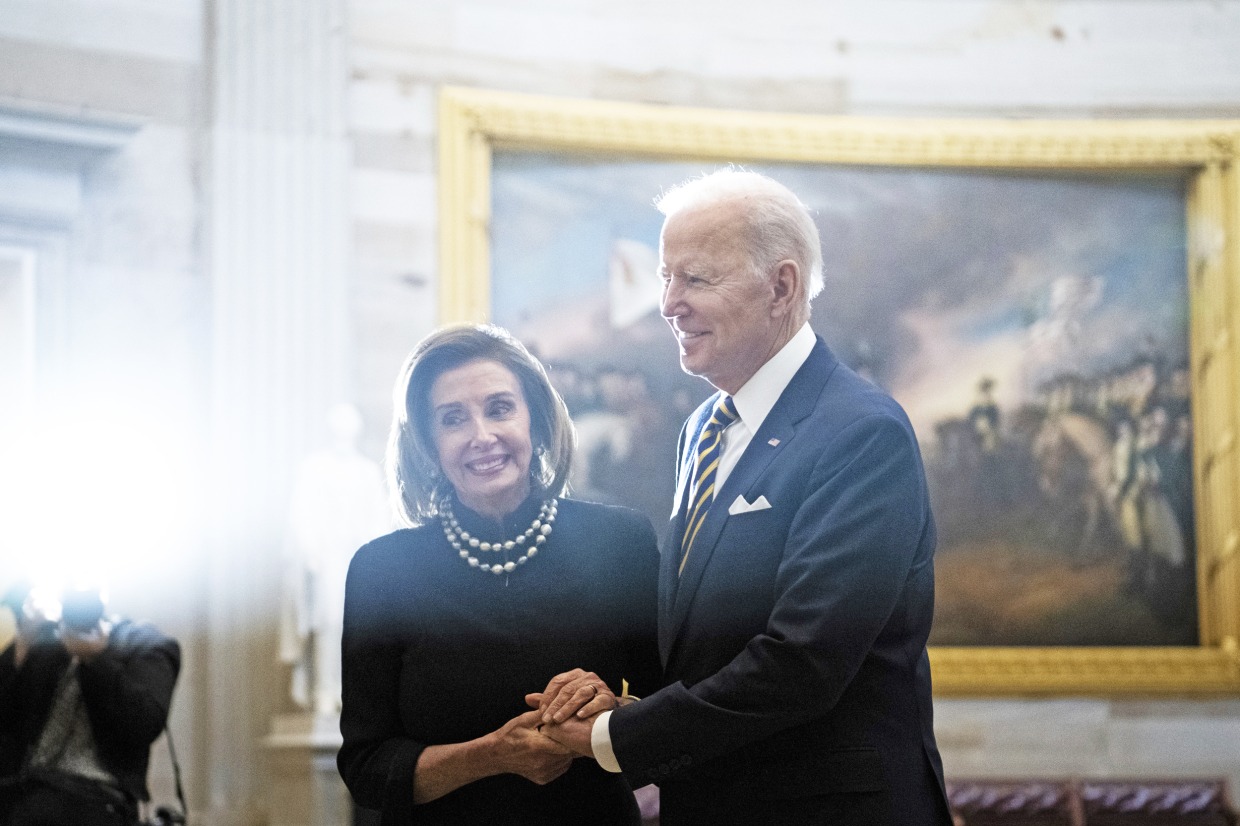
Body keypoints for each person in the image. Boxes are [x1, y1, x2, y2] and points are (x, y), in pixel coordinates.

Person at [537, 168, 954, 825]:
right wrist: (609, 698)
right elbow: (703, 644)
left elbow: (803, 663)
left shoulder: (863, 433)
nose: (669, 302)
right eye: (664, 278)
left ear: (781, 285)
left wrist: (612, 738)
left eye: (696, 278)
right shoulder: (700, 430)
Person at [336, 324, 662, 826]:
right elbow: (367, 769)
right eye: (452, 419)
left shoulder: (621, 543)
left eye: (500, 408)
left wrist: (610, 709)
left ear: (534, 417)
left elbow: (667, 717)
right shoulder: (382, 571)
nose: (481, 436)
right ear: (427, 442)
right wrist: (491, 755)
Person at [0, 583, 181, 826]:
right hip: (24, 794)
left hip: (98, 798)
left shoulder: (144, 644)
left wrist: (95, 659)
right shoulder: (47, 641)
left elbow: (144, 723)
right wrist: (24, 643)